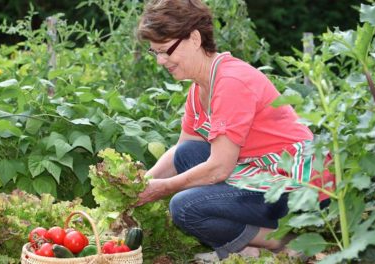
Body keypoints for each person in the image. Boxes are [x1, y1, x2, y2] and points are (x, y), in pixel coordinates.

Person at [135, 0, 334, 261]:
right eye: (155, 52)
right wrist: (139, 186)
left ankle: (287, 241)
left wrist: (162, 188)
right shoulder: (199, 88)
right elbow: (180, 152)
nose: (161, 61)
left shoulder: (231, 82)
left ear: (194, 39)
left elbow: (219, 168)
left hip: (302, 189)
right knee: (187, 153)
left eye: (166, 51)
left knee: (184, 207)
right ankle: (247, 247)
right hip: (265, 175)